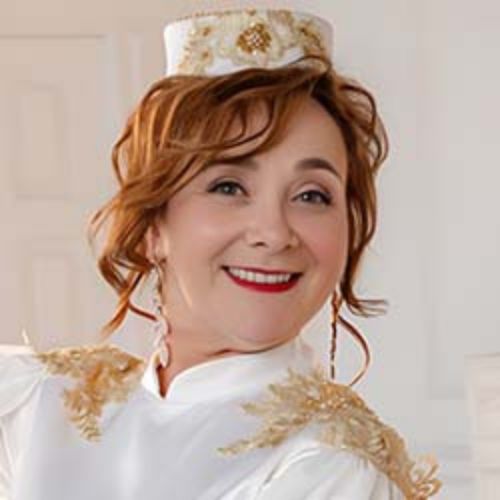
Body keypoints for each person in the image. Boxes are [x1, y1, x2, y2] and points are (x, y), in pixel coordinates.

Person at [0, 8, 442, 500]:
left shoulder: (329, 466)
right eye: (229, 186)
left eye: (312, 195)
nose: (274, 233)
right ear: (152, 226)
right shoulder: (38, 408)